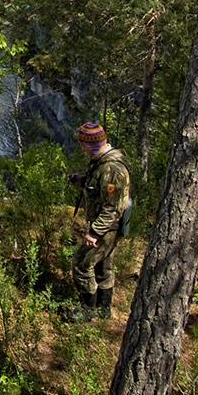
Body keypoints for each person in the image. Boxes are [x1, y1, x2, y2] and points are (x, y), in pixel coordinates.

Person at [67, 122, 131, 319]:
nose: (81, 148)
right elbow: (102, 189)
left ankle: (87, 311)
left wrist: (94, 233)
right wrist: (83, 181)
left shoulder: (112, 169)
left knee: (81, 264)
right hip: (107, 228)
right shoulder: (102, 164)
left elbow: (112, 207)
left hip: (107, 228)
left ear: (89, 144)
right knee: (103, 266)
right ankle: (103, 310)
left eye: (82, 143)